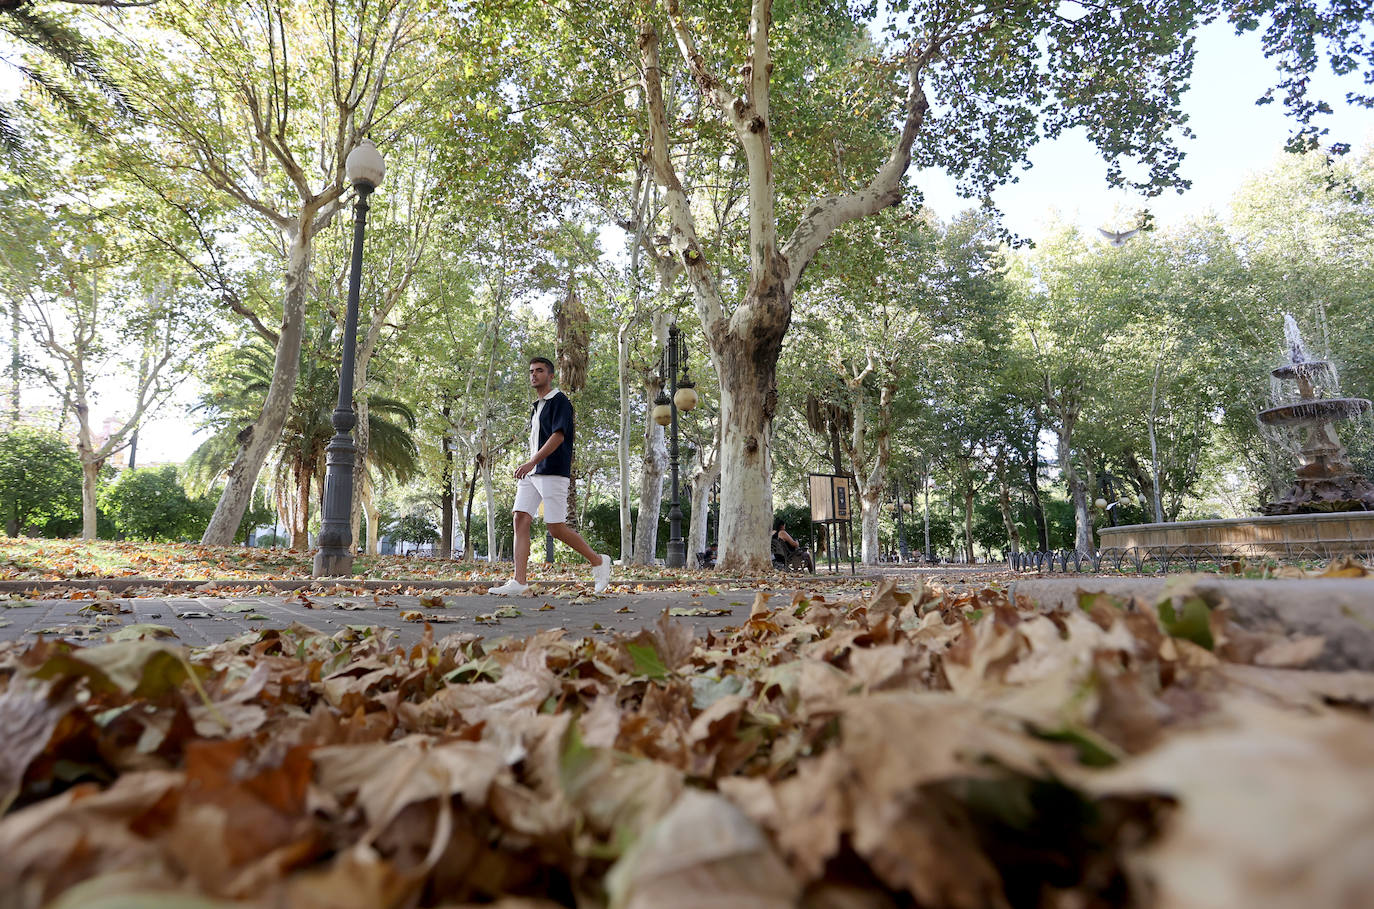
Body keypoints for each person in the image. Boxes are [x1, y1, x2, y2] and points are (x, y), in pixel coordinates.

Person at [490, 357, 611, 595]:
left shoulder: (559, 401)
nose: (534, 375)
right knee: (520, 518)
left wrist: (531, 461)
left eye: (539, 371)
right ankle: (519, 581)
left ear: (551, 375)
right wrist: (531, 465)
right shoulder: (537, 406)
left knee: (556, 528)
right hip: (532, 473)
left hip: (552, 471)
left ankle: (599, 561)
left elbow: (558, 436)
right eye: (531, 371)